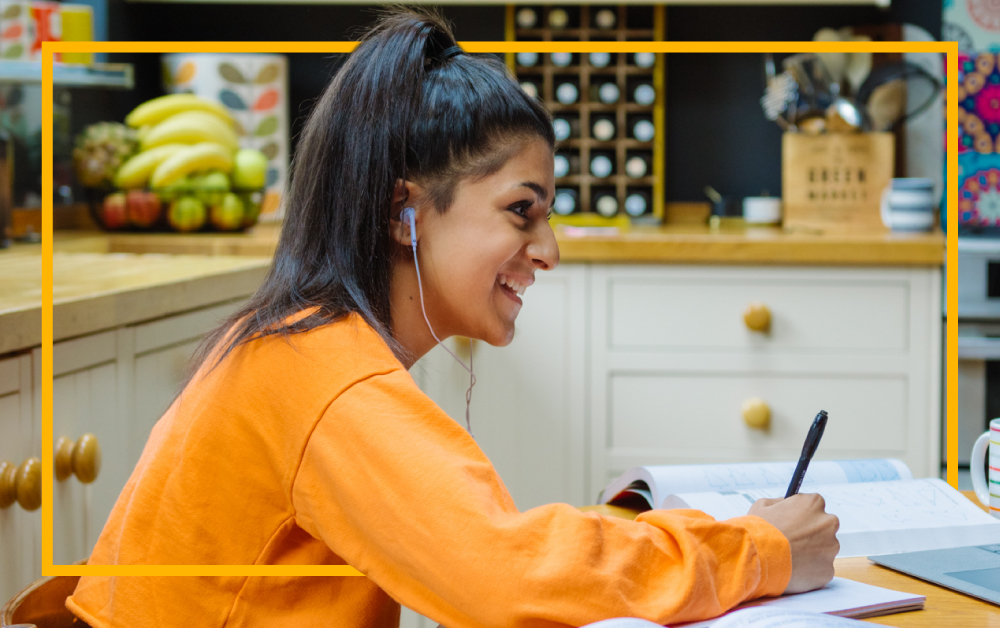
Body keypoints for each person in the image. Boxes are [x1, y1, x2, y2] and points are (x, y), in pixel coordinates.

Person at [67, 9, 839, 628]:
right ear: (404, 210)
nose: (548, 251)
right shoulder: (330, 382)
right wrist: (760, 548)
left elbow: (486, 553)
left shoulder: (296, 340)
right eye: (520, 212)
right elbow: (504, 579)